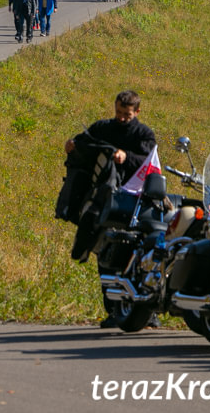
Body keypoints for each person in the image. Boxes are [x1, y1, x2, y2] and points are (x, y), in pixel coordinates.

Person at [63, 91, 157, 328]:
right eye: (118, 112)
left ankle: (147, 312)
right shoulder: (103, 127)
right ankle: (113, 310)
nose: (122, 118)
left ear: (137, 112)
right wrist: (72, 145)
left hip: (134, 203)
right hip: (106, 201)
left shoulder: (144, 134)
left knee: (139, 257)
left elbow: (149, 163)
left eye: (127, 114)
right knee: (104, 252)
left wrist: (126, 157)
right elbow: (84, 141)